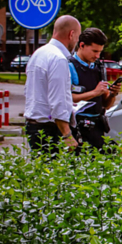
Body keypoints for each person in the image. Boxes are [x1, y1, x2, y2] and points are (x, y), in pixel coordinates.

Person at [23, 15, 80, 154]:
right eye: (78, 37)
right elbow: (58, 100)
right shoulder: (58, 59)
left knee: (41, 171)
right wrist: (67, 135)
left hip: (33, 125)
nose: (77, 41)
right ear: (71, 34)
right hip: (50, 129)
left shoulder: (39, 53)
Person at [68, 27, 121, 151]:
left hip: (97, 127)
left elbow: (106, 104)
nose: (97, 56)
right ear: (81, 45)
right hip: (77, 128)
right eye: (94, 51)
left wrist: (113, 94)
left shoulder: (99, 68)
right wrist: (94, 93)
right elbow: (66, 98)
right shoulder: (69, 66)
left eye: (100, 52)